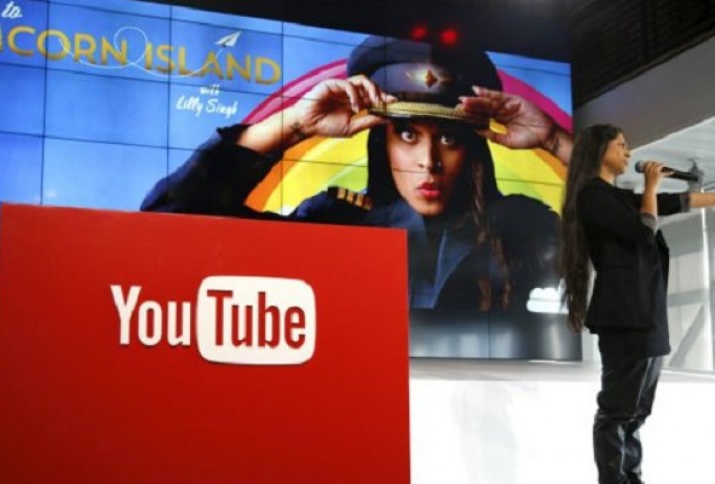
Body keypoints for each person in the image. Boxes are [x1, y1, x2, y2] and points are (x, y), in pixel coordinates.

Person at [142, 35, 572, 326]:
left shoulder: (523, 228)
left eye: (448, 138)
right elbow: (169, 223)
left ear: (472, 148)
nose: (429, 162)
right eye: (408, 135)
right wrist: (295, 125)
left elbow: (611, 257)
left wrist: (555, 140)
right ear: (382, 143)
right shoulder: (338, 221)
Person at [559, 124, 715, 483]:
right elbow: (643, 232)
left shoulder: (616, 197)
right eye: (621, 145)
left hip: (647, 315)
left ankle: (631, 477)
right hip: (624, 317)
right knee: (617, 411)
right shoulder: (591, 196)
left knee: (637, 411)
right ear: (599, 150)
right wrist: (651, 187)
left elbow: (675, 203)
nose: (628, 153)